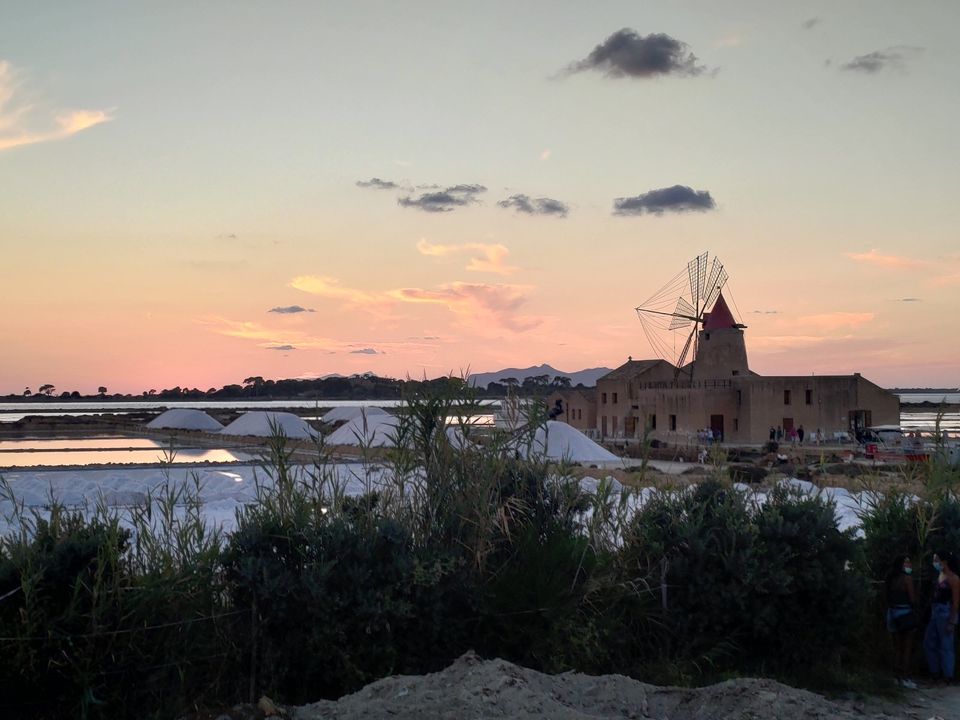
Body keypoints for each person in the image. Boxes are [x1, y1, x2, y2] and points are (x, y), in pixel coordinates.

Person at [924, 551, 960, 683]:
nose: (935, 563)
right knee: (929, 643)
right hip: (935, 612)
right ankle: (935, 672)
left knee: (946, 646)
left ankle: (947, 676)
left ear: (944, 561)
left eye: (936, 560)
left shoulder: (954, 579)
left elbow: (956, 603)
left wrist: (952, 621)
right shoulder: (940, 575)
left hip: (945, 613)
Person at [886, 556, 919, 688]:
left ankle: (896, 676)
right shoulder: (906, 579)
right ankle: (905, 677)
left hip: (892, 614)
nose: (909, 564)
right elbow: (912, 599)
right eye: (907, 562)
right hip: (905, 614)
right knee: (907, 647)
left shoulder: (889, 578)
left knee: (897, 647)